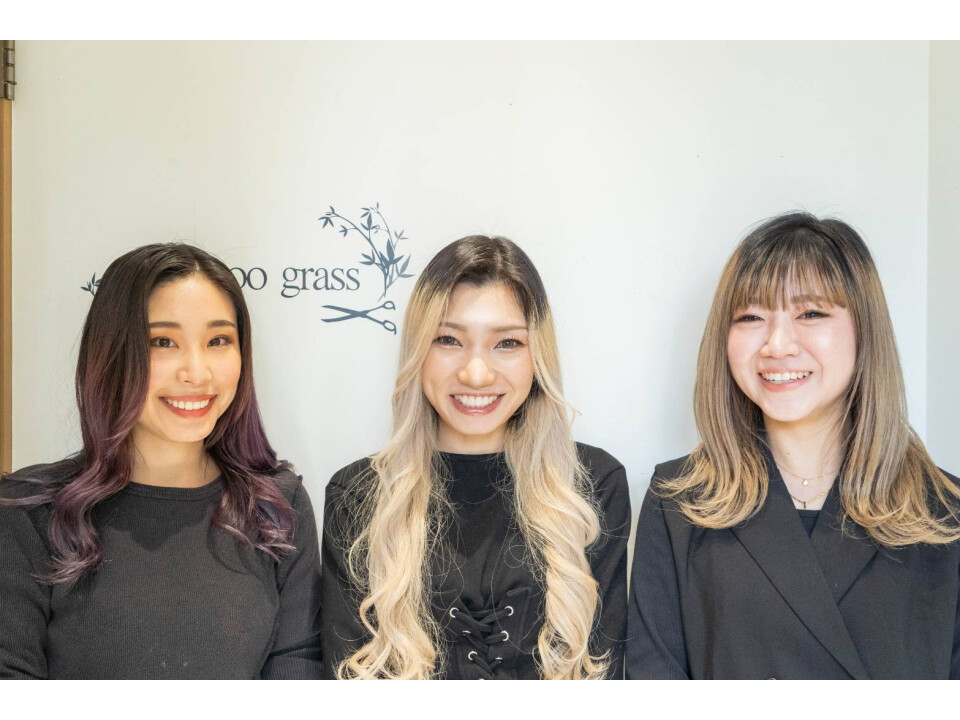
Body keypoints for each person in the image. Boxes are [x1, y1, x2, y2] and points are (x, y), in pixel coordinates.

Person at [626, 212, 960, 679]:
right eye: (751, 317)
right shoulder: (679, 501)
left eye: (811, 313)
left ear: (865, 329)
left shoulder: (943, 514)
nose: (777, 344)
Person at [0, 244, 321, 679]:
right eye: (163, 342)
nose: (197, 373)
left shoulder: (278, 507)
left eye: (218, 341)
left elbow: (297, 670)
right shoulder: (28, 512)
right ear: (112, 353)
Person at [321, 235, 629, 679]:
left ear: (538, 355)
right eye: (448, 339)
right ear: (418, 351)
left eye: (507, 343)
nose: (476, 374)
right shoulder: (358, 495)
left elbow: (605, 674)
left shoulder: (593, 486)